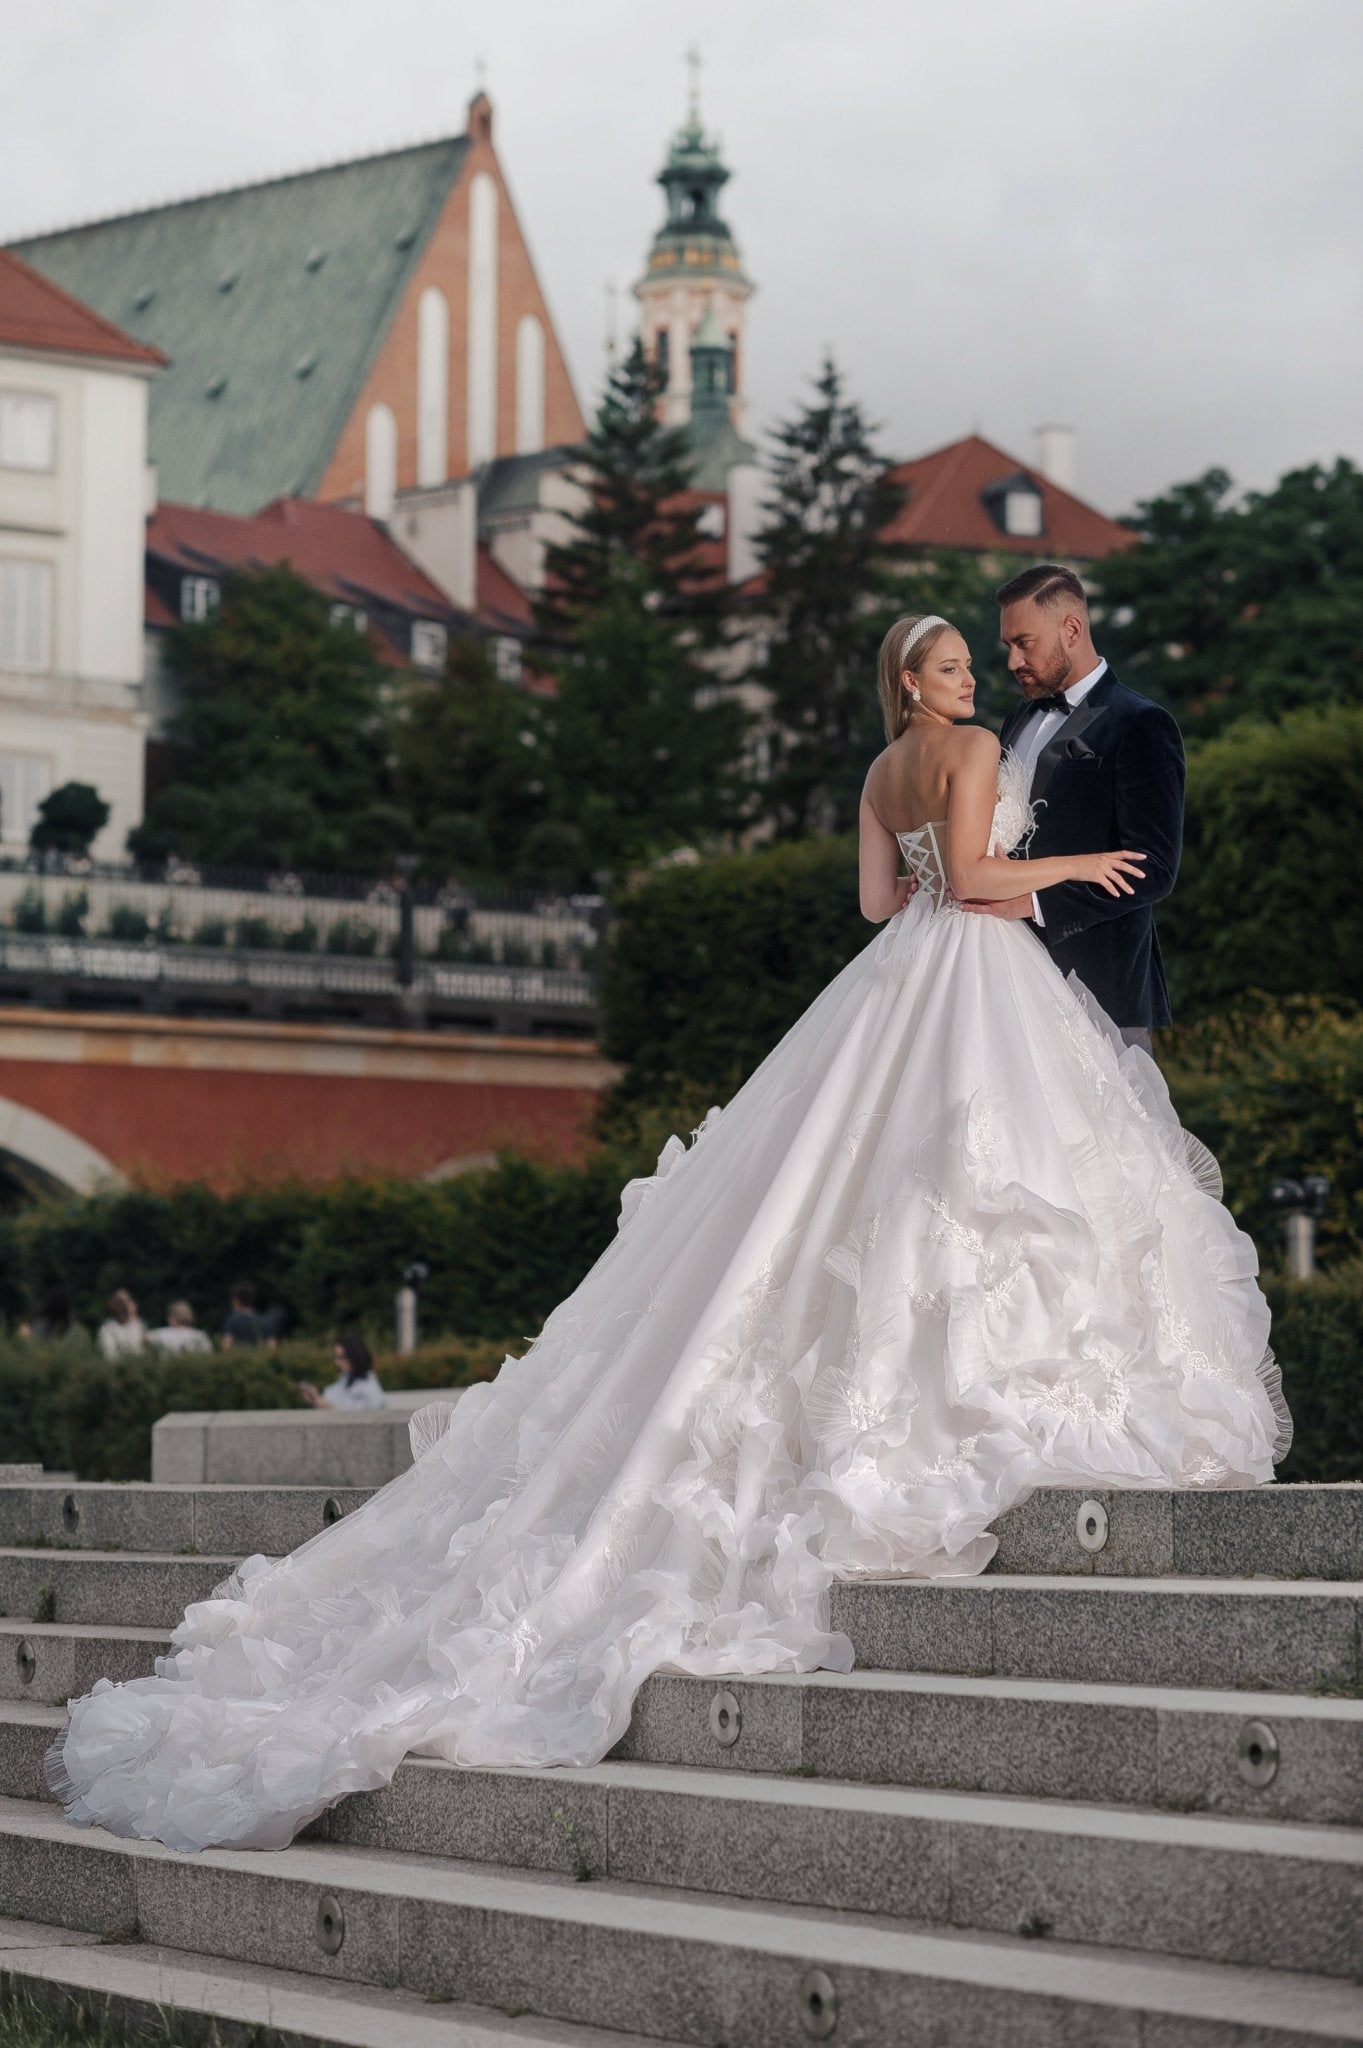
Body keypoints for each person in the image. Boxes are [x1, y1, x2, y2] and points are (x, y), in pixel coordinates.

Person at [47, 612, 1287, 1855]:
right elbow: (970, 883)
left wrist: (955, 876)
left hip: (896, 980)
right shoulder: (964, 748)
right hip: (979, 970)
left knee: (846, 1190)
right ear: (916, 682)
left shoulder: (876, 771)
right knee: (988, 1187)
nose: (973, 679)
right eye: (955, 664)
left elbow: (879, 899)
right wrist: (1066, 872)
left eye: (976, 662)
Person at [981, 562, 1185, 1057]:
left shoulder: (1141, 724)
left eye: (1023, 643)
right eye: (1008, 646)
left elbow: (1153, 870)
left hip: (1103, 985)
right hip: (1006, 974)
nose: (1013, 661)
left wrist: (1033, 903)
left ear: (1071, 629)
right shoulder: (1018, 718)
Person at [299, 1331, 388, 1411]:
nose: (337, 1362)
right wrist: (316, 1400)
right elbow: (331, 1399)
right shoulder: (345, 1378)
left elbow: (359, 1415)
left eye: (342, 1357)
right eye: (336, 1357)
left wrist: (328, 1406)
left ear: (355, 1355)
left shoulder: (369, 1388)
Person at [95, 1289, 146, 1362]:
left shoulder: (138, 1325)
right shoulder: (107, 1328)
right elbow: (109, 1355)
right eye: (120, 1302)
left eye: (127, 1301)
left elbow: (139, 1350)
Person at [147, 1302, 213, 1356]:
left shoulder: (162, 1333)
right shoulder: (200, 1335)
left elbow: (146, 1338)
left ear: (172, 1318)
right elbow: (208, 1354)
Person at [220, 1283, 264, 1349]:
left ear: (237, 1300)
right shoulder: (263, 1320)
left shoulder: (232, 1320)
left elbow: (227, 1345)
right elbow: (272, 1346)